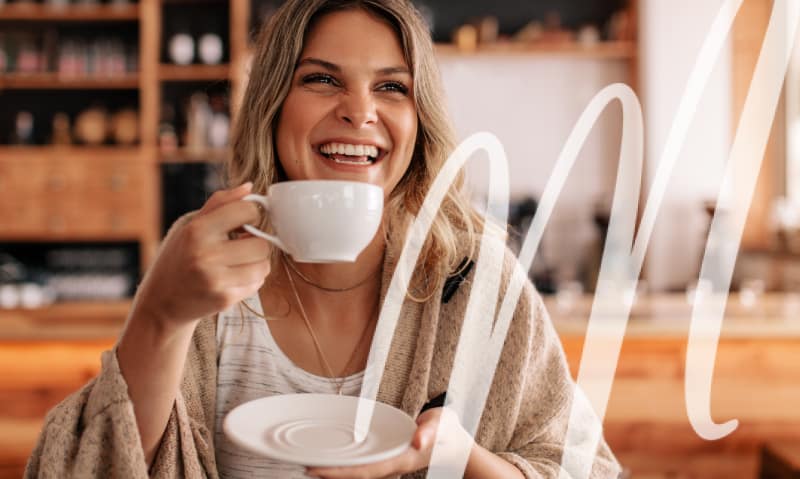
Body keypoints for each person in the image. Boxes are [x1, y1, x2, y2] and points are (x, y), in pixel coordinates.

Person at [25, 1, 621, 478]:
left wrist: (464, 460)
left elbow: (583, 470)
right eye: (321, 79)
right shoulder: (208, 289)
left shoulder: (476, 283)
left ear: (420, 122)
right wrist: (159, 316)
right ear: (273, 105)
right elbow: (84, 466)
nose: (359, 111)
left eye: (391, 87)